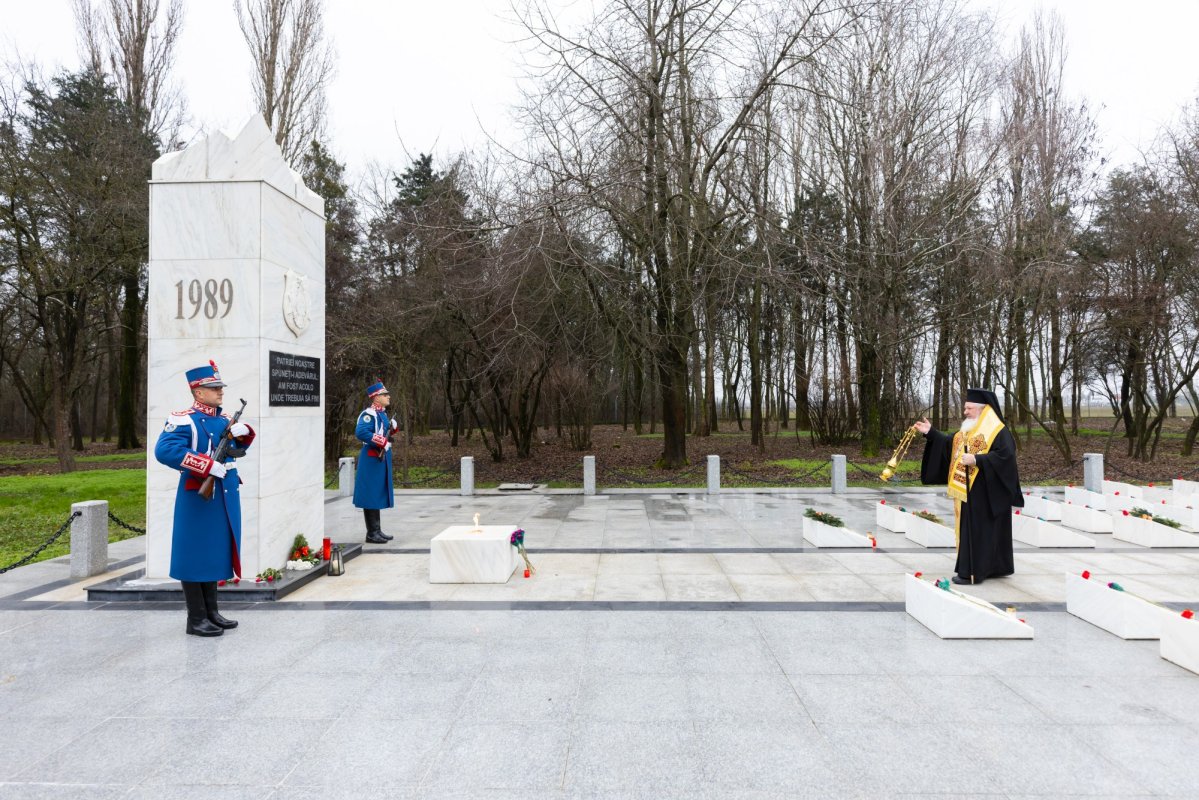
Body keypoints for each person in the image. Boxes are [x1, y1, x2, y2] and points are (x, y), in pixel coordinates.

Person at [154, 360, 255, 636]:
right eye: (213, 387)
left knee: (214, 552)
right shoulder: (183, 418)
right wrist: (206, 466)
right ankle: (196, 618)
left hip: (223, 495)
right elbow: (165, 451)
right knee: (194, 554)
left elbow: (233, 449)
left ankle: (212, 612)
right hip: (198, 497)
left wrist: (244, 435)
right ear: (198, 392)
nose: (220, 391)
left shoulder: (223, 419)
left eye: (220, 386)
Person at [915, 388, 1023, 585]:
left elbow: (1006, 457)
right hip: (970, 491)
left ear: (983, 409)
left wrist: (977, 460)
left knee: (980, 531)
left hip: (987, 492)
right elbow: (950, 444)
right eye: (965, 408)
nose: (965, 411)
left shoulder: (998, 431)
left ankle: (971, 571)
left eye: (969, 408)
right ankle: (993, 567)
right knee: (977, 531)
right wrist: (931, 433)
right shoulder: (969, 429)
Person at [354, 380, 397, 544]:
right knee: (370, 494)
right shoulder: (368, 414)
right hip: (372, 457)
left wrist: (392, 428)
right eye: (385, 395)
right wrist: (383, 442)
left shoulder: (382, 414)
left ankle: (376, 530)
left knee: (376, 494)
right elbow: (361, 432)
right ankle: (371, 533)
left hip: (379, 458)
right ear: (376, 397)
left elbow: (383, 431)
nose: (388, 397)